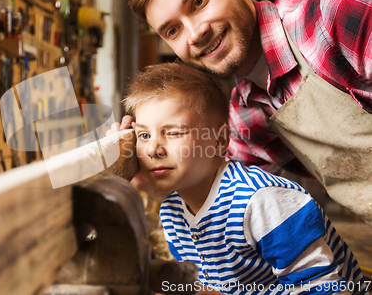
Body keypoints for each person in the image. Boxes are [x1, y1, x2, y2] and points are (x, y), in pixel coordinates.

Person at [120, 0, 372, 224]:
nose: (195, 34)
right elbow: (223, 211)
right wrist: (146, 176)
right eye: (173, 30)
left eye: (198, 3)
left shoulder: (337, 3)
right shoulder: (245, 117)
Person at [123, 62, 366, 295]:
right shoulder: (172, 211)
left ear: (219, 141)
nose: (153, 149)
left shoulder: (263, 203)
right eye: (144, 135)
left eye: (174, 132)